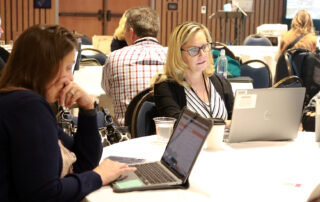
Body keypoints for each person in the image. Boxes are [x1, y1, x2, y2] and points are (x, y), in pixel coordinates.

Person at [0, 24, 135, 201]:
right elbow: (45, 194)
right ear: (43, 67)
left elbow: (84, 162)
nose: (71, 79)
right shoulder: (27, 107)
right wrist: (99, 177)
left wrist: (87, 109)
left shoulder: (17, 101)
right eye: (67, 68)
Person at [153, 22, 234, 120]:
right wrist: (224, 125)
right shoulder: (165, 86)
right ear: (178, 54)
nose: (202, 54)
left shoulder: (221, 83)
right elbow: (177, 124)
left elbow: (236, 121)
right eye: (193, 50)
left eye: (205, 47)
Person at [101, 7, 167, 125]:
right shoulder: (174, 57)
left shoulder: (114, 58)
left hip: (127, 137)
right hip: (165, 134)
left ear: (131, 32)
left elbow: (108, 91)